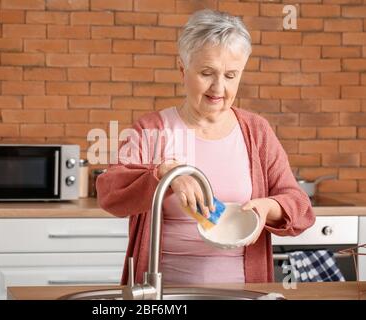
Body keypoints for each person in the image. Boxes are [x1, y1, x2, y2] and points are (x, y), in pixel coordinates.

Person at [96, 9, 315, 285]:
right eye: (207, 73)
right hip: (165, 291)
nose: (218, 88)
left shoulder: (256, 131)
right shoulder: (152, 130)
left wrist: (265, 207)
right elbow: (109, 194)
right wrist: (165, 174)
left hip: (243, 290)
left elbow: (301, 208)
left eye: (231, 75)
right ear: (182, 69)